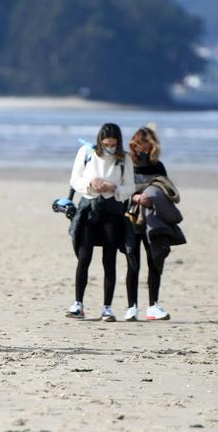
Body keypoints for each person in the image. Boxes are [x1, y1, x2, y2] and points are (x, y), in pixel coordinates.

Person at [66, 123, 134, 322]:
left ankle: (107, 307)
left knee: (109, 258)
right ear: (99, 141)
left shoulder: (124, 158)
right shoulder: (87, 152)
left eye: (113, 144)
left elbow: (130, 186)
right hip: (89, 207)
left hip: (113, 210)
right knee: (84, 256)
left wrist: (115, 187)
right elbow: (75, 179)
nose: (109, 148)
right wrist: (91, 184)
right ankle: (78, 303)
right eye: (106, 144)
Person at [124, 126, 184, 321]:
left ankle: (153, 306)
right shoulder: (126, 164)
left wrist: (153, 197)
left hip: (153, 221)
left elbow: (166, 191)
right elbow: (119, 191)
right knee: (133, 263)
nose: (145, 149)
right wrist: (136, 197)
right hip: (131, 220)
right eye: (142, 145)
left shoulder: (158, 166)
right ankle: (131, 307)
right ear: (134, 145)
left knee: (154, 261)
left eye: (149, 146)